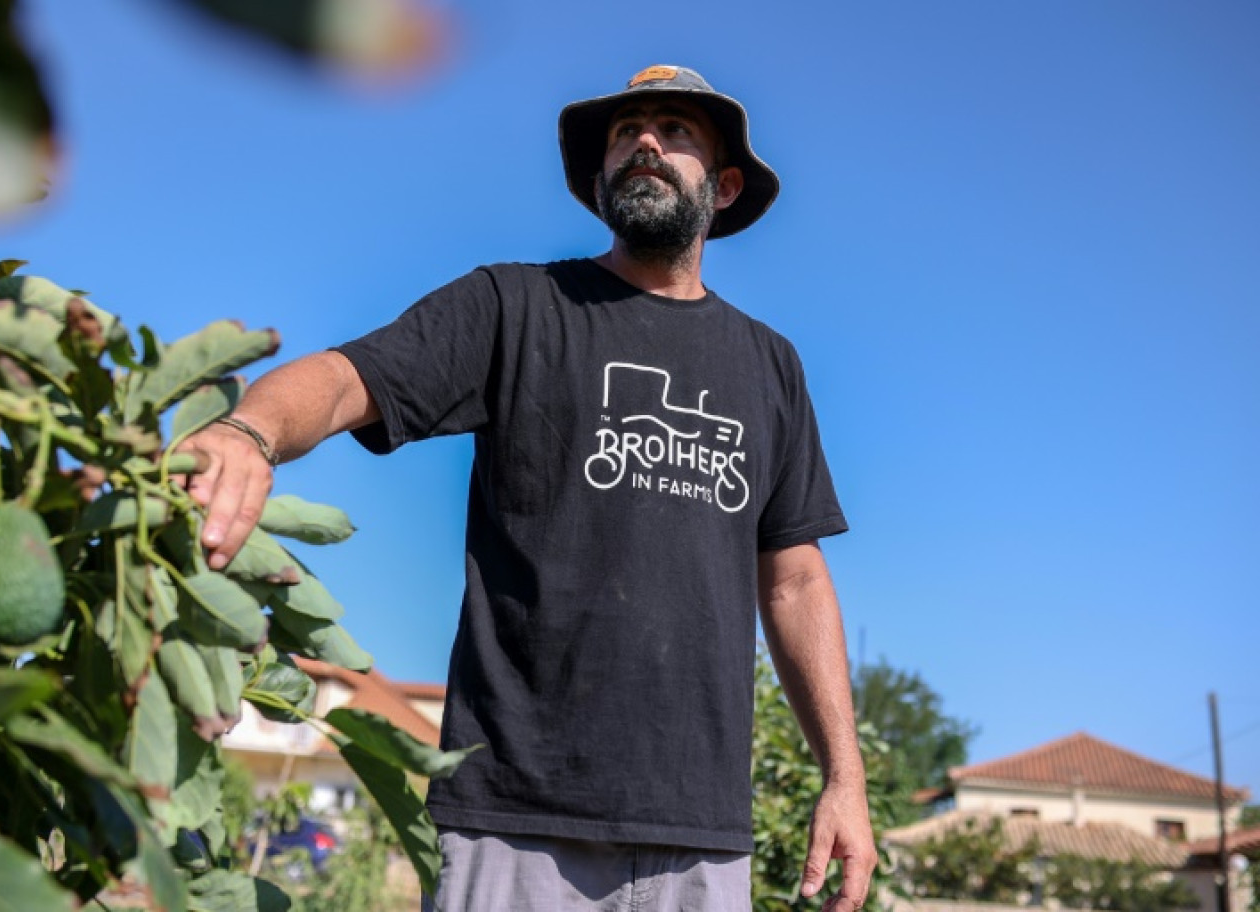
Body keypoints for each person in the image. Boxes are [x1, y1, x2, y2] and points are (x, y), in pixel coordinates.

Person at [181, 64, 877, 911]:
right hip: (516, 818)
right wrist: (248, 431)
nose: (645, 142)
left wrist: (845, 777)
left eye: (675, 131)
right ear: (600, 177)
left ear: (724, 186)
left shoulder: (769, 364)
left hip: (700, 833)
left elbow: (796, 578)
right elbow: (344, 377)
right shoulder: (515, 306)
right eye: (627, 133)